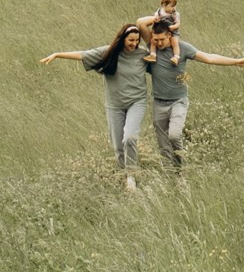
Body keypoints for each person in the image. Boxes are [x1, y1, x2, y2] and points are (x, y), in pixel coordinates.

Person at [139, 0, 244, 175]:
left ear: (170, 35)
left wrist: (236, 61)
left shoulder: (182, 48)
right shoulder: (153, 46)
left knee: (174, 135)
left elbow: (209, 58)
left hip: (178, 101)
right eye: (156, 40)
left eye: (162, 40)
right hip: (159, 102)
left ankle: (182, 168)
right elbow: (140, 23)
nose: (158, 43)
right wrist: (157, 18)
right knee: (163, 146)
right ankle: (171, 177)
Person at [40, 17, 160, 188]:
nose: (134, 44)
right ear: (122, 39)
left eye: (136, 40)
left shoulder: (143, 54)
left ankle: (132, 175)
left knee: (129, 137)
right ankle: (124, 175)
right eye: (130, 40)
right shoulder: (108, 53)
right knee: (118, 144)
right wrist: (58, 54)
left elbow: (160, 66)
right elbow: (82, 54)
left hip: (137, 102)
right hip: (115, 105)